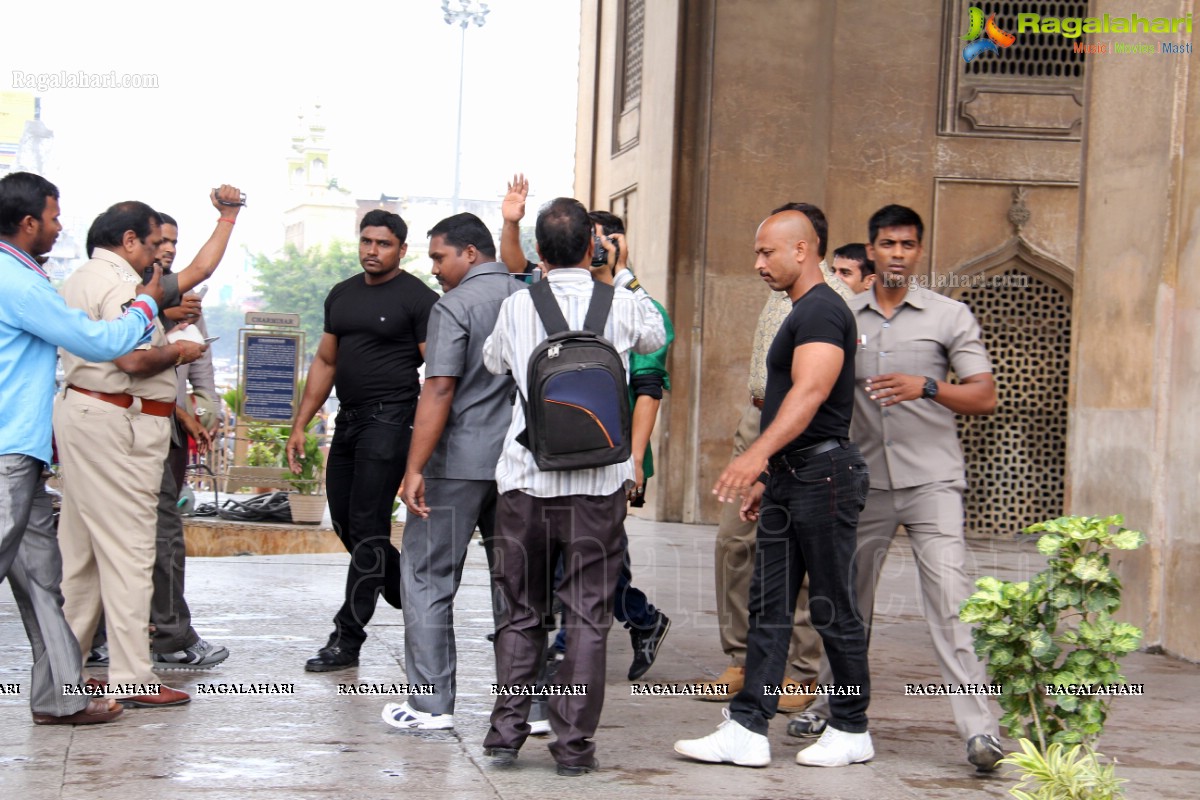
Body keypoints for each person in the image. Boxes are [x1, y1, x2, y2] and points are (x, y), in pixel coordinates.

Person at [787, 205, 1004, 772]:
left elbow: (984, 396)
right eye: (888, 244)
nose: (898, 255)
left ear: (919, 251)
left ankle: (981, 731)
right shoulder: (840, 314)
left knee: (953, 605)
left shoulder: (949, 315)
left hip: (933, 482)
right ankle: (836, 709)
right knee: (846, 603)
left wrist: (927, 386)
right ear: (872, 250)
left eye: (908, 245)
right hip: (862, 482)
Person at [674, 205, 873, 768]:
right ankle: (747, 725)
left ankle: (853, 727)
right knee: (769, 607)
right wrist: (769, 473)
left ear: (802, 250)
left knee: (833, 607)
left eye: (767, 252)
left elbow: (810, 394)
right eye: (757, 252)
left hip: (824, 475)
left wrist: (756, 454)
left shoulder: (821, 312)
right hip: (794, 474)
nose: (758, 262)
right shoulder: (799, 309)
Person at [481, 197, 665, 776]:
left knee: (520, 610)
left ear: (537, 250)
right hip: (598, 485)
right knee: (587, 614)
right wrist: (619, 274)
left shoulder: (516, 306)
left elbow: (493, 365)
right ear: (594, 244)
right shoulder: (621, 302)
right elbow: (655, 336)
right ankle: (573, 750)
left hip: (524, 482)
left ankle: (507, 733)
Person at [0, 172, 164, 725]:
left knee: (47, 583)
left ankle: (59, 698)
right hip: (7, 455)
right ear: (28, 224)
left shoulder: (27, 277)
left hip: (26, 453)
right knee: (95, 561)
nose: (58, 226)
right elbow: (106, 343)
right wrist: (147, 307)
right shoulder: (19, 283)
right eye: (51, 216)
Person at [56, 196, 218, 709]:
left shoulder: (82, 277)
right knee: (130, 551)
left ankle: (65, 669)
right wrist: (179, 351)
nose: (158, 256)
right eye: (153, 244)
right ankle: (131, 676)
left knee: (81, 556)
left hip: (87, 414)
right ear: (129, 241)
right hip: (115, 420)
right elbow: (129, 359)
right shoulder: (118, 283)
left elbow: (197, 270)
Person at [385, 212, 521, 731]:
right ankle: (528, 707)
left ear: (470, 253)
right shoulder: (532, 299)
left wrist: (414, 467)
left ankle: (430, 705)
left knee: (425, 576)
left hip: (457, 463)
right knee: (518, 586)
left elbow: (439, 388)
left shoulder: (455, 305)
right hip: (518, 464)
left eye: (439, 256)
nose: (434, 268)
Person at [288, 209, 438, 672]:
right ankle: (405, 590)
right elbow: (325, 362)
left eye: (383, 244)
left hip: (392, 420)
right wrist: (300, 423)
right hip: (348, 421)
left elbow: (436, 374)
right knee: (348, 526)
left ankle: (347, 637)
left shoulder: (418, 299)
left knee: (369, 526)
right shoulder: (342, 294)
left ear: (401, 250)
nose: (372, 250)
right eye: (366, 241)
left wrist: (426, 450)